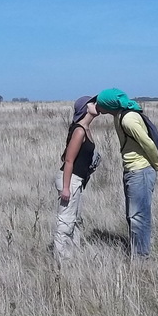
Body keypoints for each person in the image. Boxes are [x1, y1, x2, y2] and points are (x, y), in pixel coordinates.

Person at [94, 88, 158, 258]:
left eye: (101, 103)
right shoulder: (120, 116)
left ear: (109, 105)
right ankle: (138, 253)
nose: (97, 106)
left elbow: (147, 143)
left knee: (138, 216)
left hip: (140, 171)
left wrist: (157, 164)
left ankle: (141, 258)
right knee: (134, 215)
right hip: (133, 170)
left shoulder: (128, 119)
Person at [53, 95, 101, 262]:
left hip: (77, 180)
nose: (96, 104)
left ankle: (74, 255)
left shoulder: (86, 129)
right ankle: (62, 261)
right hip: (70, 179)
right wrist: (66, 188)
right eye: (92, 103)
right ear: (84, 109)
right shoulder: (79, 130)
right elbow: (68, 160)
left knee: (76, 219)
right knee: (65, 220)